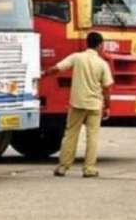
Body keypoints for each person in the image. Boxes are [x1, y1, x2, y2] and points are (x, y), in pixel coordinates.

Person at [43, 32, 113, 178]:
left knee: (70, 135)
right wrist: (107, 106)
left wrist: (43, 73)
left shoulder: (77, 57)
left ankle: (63, 167)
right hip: (94, 105)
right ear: (100, 45)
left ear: (87, 43)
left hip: (77, 104)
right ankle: (89, 168)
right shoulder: (102, 64)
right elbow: (107, 88)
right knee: (92, 137)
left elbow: (57, 68)